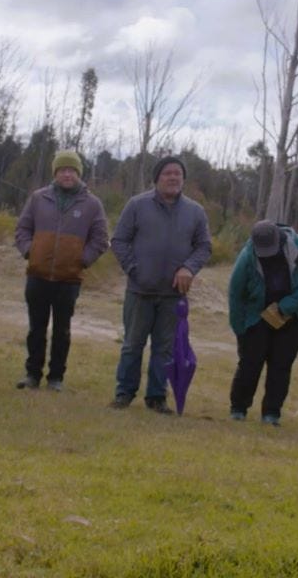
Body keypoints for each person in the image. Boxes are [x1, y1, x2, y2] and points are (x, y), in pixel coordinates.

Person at [109, 156, 211, 414]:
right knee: (132, 344)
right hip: (139, 291)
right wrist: (134, 270)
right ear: (157, 178)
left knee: (165, 349)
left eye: (178, 173)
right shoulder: (137, 205)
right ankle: (124, 394)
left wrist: (189, 267)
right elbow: (119, 241)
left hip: (173, 295)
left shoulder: (195, 212)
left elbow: (204, 246)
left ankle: (156, 397)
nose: (173, 177)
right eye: (168, 173)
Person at [13, 150, 109, 392]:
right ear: (55, 173)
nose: (67, 174)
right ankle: (32, 374)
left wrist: (81, 260)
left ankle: (56, 377)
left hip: (69, 279)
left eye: (72, 170)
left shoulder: (92, 204)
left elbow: (100, 239)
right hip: (37, 276)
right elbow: (22, 229)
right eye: (62, 170)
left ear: (78, 173)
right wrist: (29, 252)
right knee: (36, 328)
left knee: (62, 330)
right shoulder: (38, 199)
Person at [227, 220, 298, 426]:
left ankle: (271, 413)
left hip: (293, 314)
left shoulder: (297, 246)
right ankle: (238, 408)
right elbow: (235, 293)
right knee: (250, 362)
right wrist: (239, 329)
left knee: (281, 365)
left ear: (280, 239)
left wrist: (289, 304)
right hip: (258, 315)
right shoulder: (247, 256)